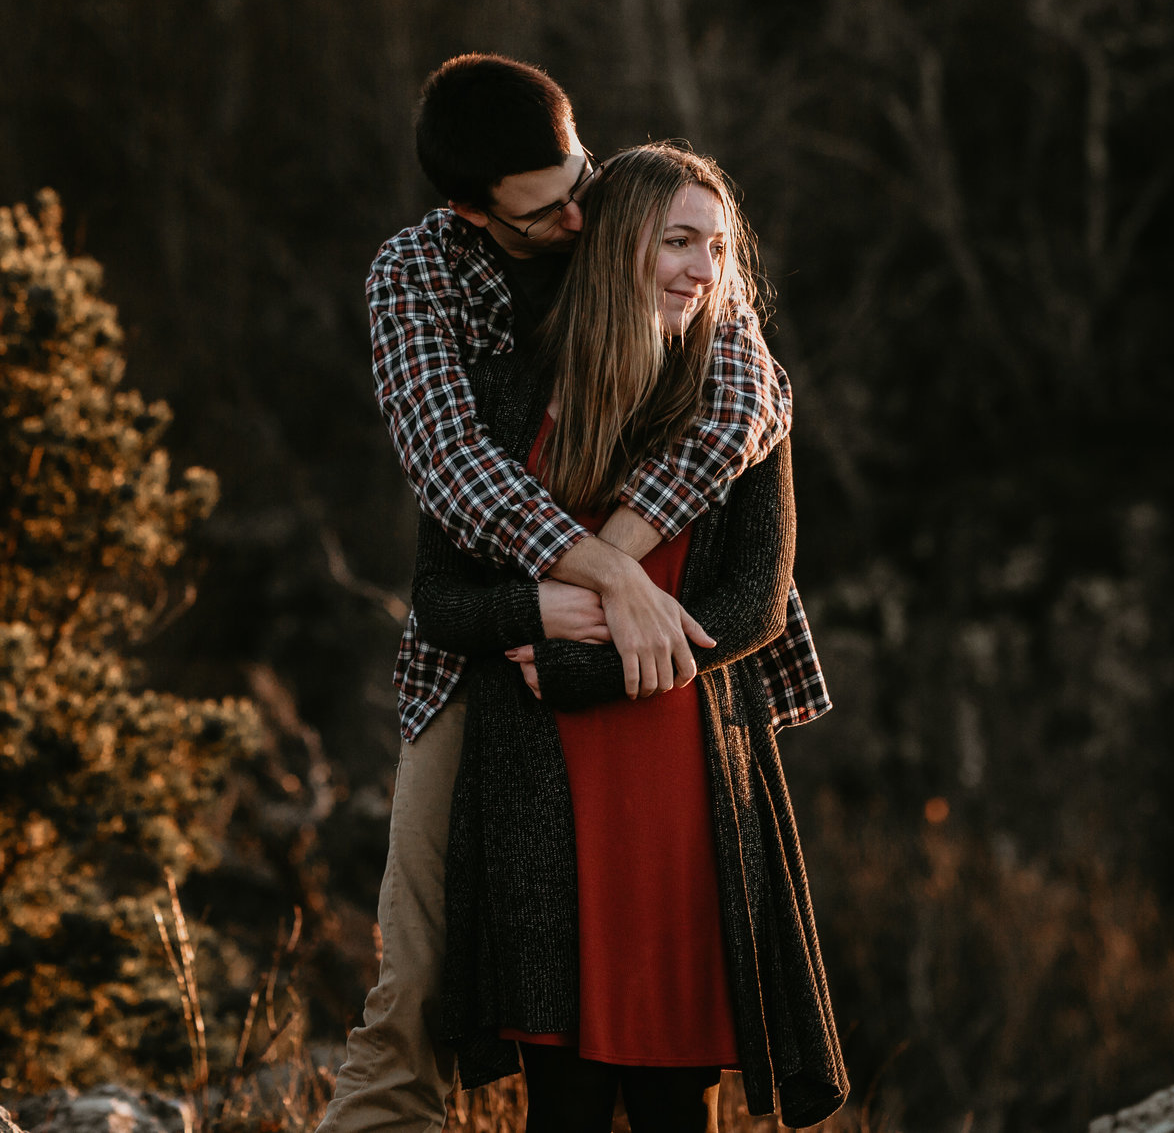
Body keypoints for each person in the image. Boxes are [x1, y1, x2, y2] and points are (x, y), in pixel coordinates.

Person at [319, 55, 830, 1133]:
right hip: (483, 663)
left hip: (661, 686)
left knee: (665, 1001)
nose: (577, 214)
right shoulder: (419, 274)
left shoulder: (635, 221)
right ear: (474, 207)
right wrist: (596, 584)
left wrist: (628, 569)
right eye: (548, 207)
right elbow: (453, 473)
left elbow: (750, 389)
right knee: (419, 971)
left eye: (581, 179)